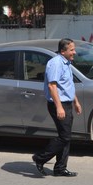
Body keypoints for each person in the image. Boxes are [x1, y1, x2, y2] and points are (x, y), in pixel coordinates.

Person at [32, 38, 82, 177]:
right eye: (71, 50)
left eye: (74, 49)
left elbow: (68, 84)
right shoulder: (55, 64)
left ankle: (60, 168)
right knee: (65, 137)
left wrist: (75, 102)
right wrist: (59, 107)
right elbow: (52, 86)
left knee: (65, 136)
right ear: (63, 51)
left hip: (67, 103)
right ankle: (40, 157)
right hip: (58, 104)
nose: (74, 52)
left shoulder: (67, 63)